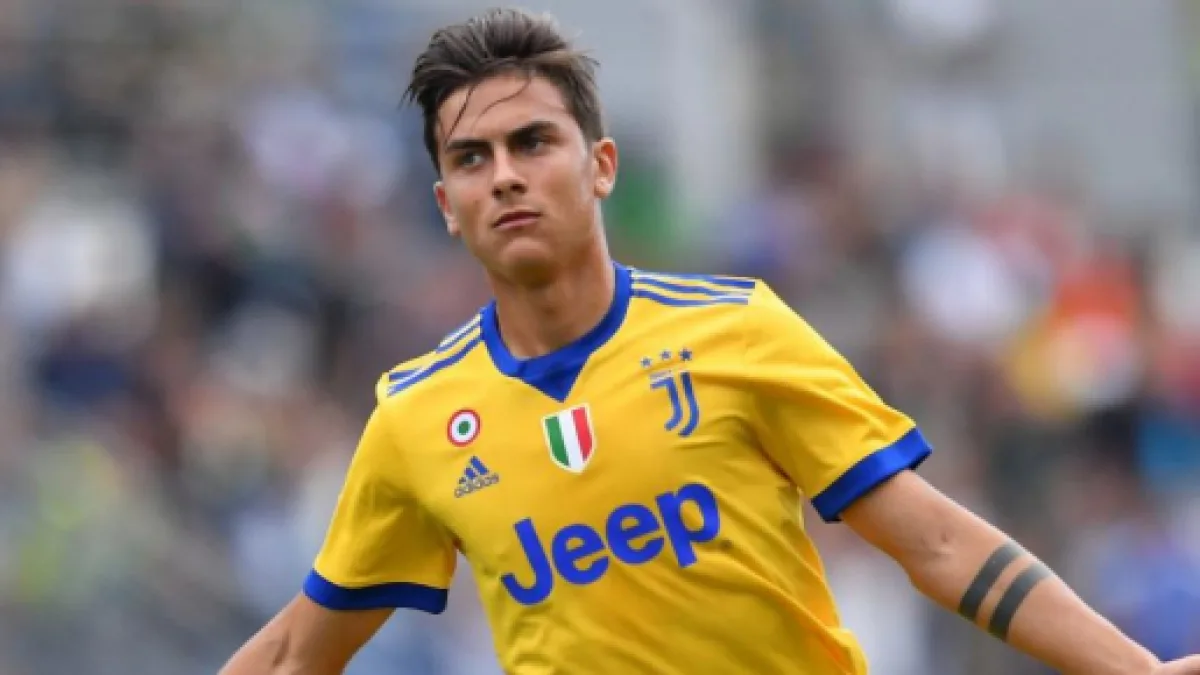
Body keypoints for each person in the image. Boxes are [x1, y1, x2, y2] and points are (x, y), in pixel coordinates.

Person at [221, 8, 1200, 675]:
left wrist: (1131, 670)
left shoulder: (737, 329)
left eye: (533, 142)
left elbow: (937, 542)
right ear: (446, 204)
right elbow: (300, 649)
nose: (505, 175)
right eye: (471, 158)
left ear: (601, 165)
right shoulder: (417, 417)